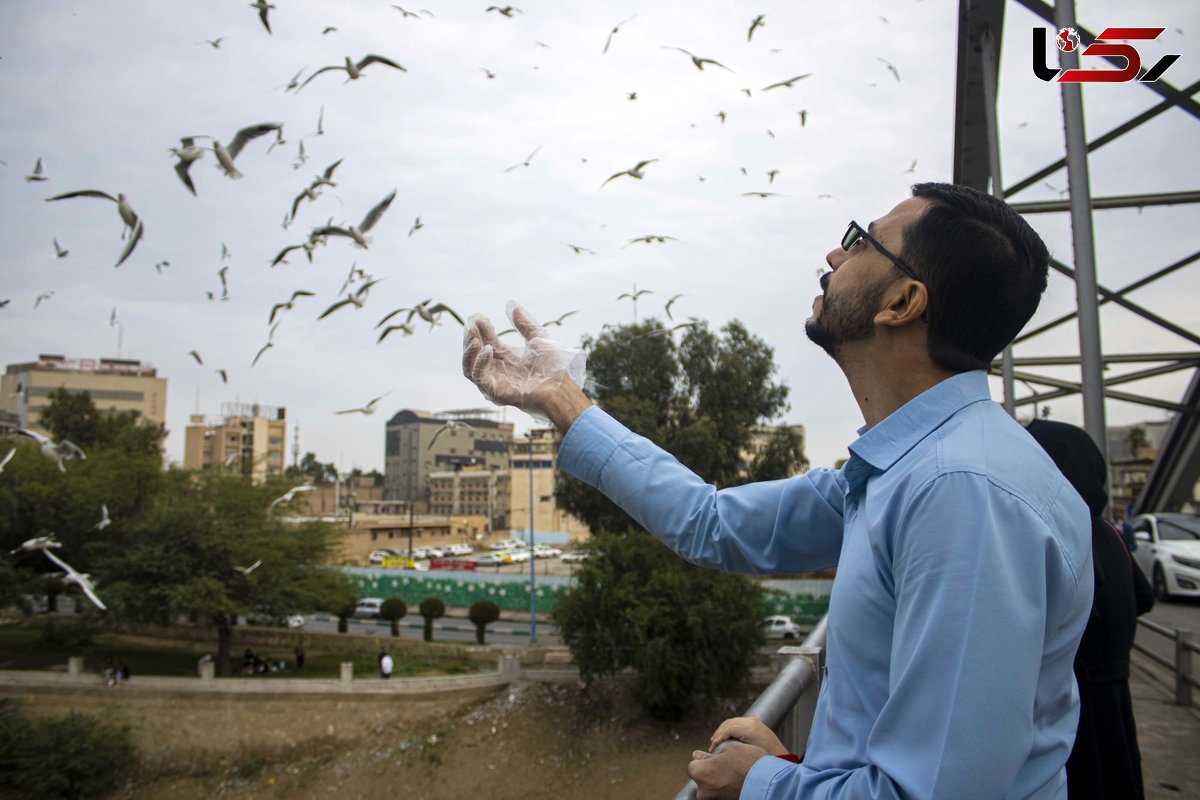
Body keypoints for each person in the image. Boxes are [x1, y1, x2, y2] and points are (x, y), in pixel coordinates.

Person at [460, 182, 1094, 799]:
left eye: (862, 242)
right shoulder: (902, 469)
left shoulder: (961, 494)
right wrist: (561, 399)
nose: (834, 255)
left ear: (902, 301)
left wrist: (762, 782)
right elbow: (710, 522)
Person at [1026, 419, 1154, 800]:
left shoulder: (1058, 532)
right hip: (1116, 691)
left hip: (1074, 699)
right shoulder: (1108, 533)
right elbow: (1143, 598)